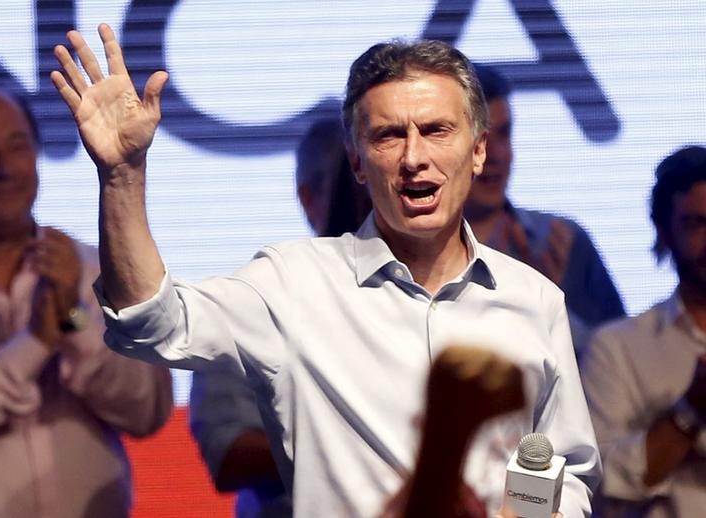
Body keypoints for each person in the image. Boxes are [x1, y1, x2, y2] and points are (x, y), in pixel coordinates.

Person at [50, 24, 600, 517]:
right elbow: (151, 323)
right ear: (357, 161)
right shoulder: (293, 283)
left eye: (435, 131)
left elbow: (561, 465)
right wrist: (122, 177)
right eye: (388, 135)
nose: (413, 158)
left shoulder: (534, 300)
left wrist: (519, 516)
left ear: (478, 151)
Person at [0, 86, 174, 518]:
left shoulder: (95, 267)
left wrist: (72, 319)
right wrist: (33, 344)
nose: (3, 169)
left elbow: (148, 411)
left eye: (17, 146)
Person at [189, 117, 370, 517]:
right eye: (357, 188)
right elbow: (228, 454)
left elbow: (530, 445)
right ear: (311, 199)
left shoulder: (468, 292)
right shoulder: (254, 305)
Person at [464, 64, 625, 356]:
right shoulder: (415, 249)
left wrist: (547, 304)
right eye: (480, 140)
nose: (496, 155)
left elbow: (619, 361)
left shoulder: (563, 240)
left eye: (504, 133)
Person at [581, 145, 706, 517]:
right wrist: (689, 413)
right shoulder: (617, 348)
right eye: (696, 224)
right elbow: (600, 483)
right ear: (664, 232)